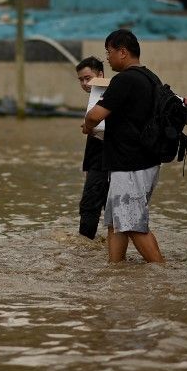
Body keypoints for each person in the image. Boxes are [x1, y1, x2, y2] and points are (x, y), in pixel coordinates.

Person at [81, 30, 164, 264]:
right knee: (116, 223)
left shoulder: (125, 79)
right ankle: (115, 271)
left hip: (129, 165)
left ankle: (162, 275)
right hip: (143, 161)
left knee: (133, 225)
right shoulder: (151, 78)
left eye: (109, 52)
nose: (107, 58)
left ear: (123, 52)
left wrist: (87, 126)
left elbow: (95, 115)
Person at [75, 56, 109, 240]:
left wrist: (88, 126)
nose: (84, 83)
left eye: (88, 78)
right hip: (96, 161)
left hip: (104, 162)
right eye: (81, 79)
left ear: (101, 75)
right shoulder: (95, 98)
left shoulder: (107, 96)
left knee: (89, 207)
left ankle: (84, 249)